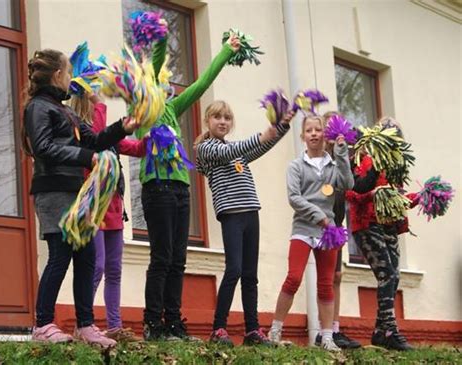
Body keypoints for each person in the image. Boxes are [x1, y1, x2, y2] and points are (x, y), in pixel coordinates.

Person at [22, 49, 137, 347]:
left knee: (86, 258)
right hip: (52, 192)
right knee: (60, 255)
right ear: (58, 75)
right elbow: (44, 147)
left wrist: (121, 127)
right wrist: (88, 157)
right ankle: (42, 324)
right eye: (69, 72)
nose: (72, 77)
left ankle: (85, 325)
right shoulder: (38, 108)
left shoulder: (67, 111)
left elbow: (95, 139)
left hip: (76, 194)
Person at [137, 33, 241, 341]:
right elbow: (154, 69)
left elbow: (201, 84)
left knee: (178, 260)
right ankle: (153, 324)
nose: (167, 86)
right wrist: (159, 37)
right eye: (161, 82)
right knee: (162, 257)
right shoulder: (146, 109)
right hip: (156, 188)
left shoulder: (173, 108)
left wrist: (226, 51)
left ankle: (173, 323)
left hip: (181, 189)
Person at [195, 100, 293, 346]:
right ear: (208, 120)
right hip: (231, 215)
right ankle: (218, 328)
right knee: (234, 270)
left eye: (227, 118)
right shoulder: (206, 149)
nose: (222, 122)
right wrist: (263, 134)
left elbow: (260, 148)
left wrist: (281, 127)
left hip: (251, 212)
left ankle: (252, 331)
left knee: (250, 274)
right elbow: (232, 150)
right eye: (217, 117)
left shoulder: (236, 150)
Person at [267, 114, 354, 352]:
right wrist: (319, 216)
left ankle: (326, 337)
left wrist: (342, 153)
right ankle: (275, 329)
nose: (314, 133)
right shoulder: (296, 166)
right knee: (293, 278)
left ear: (325, 135)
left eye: (318, 130)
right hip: (304, 228)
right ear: (303, 136)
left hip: (329, 233)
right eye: (309, 130)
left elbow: (348, 184)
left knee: (326, 284)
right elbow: (294, 198)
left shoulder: (333, 165)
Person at [70, 93, 146, 341]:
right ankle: (84, 324)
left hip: (114, 209)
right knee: (97, 266)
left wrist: (150, 130)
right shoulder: (81, 134)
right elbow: (98, 140)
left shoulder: (111, 140)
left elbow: (137, 149)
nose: (100, 113)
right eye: (96, 110)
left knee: (114, 270)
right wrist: (100, 103)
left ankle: (114, 325)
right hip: (94, 209)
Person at [345, 117, 414, 351]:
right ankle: (389, 331)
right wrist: (373, 188)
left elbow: (397, 199)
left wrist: (422, 197)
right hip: (366, 225)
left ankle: (379, 332)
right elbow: (354, 191)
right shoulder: (361, 158)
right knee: (388, 274)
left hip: (388, 225)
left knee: (394, 276)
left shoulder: (395, 166)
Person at [314, 111, 361, 349]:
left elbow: (349, 183)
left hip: (338, 222)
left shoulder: (342, 156)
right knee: (326, 277)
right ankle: (324, 332)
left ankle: (335, 329)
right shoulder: (320, 158)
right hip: (323, 222)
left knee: (337, 276)